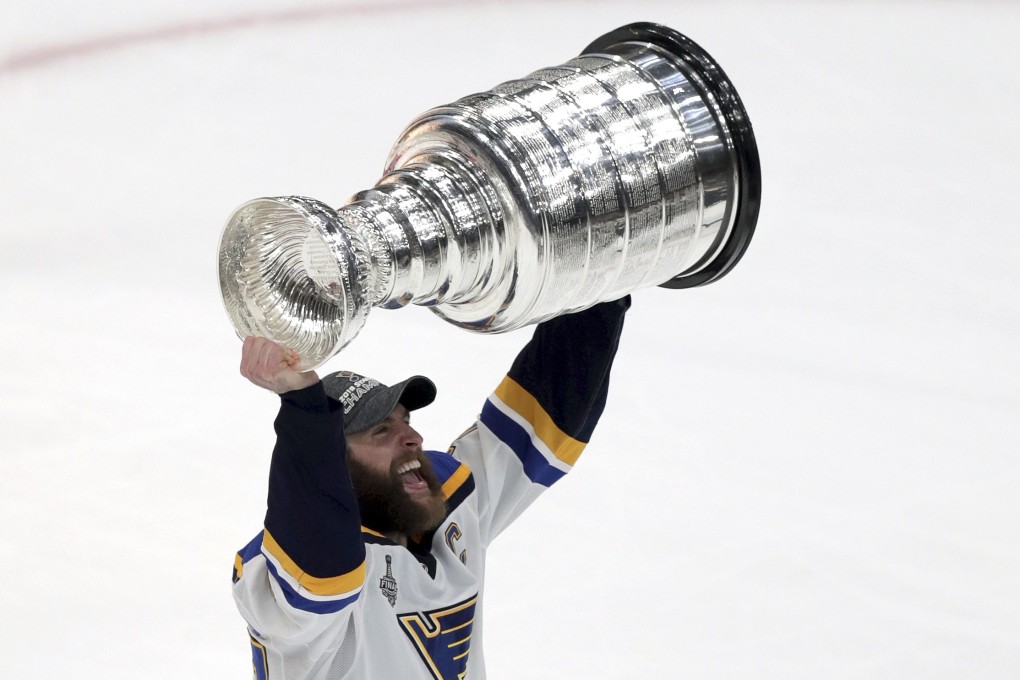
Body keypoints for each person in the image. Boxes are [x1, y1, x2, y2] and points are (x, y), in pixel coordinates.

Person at [232, 296, 630, 679]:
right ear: (333, 469)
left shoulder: (447, 502)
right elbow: (320, 559)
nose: (413, 437)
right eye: (381, 430)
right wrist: (303, 404)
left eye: (405, 420)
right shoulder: (289, 587)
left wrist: (601, 283)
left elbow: (541, 421)